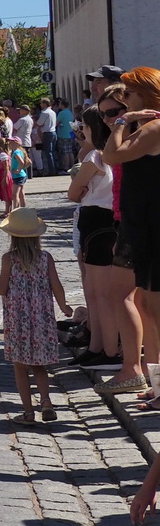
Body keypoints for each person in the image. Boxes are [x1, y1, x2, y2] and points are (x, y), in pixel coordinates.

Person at [0, 209, 70, 425]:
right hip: (42, 320)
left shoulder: (9, 259)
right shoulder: (46, 258)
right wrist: (64, 306)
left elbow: (2, 288)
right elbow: (56, 285)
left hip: (17, 321)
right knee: (39, 365)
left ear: (12, 236)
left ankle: (28, 413)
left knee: (20, 366)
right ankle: (46, 401)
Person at [67, 107, 145, 391]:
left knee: (100, 293)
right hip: (106, 219)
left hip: (96, 219)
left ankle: (109, 350)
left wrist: (80, 188)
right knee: (98, 293)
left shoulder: (95, 156)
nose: (81, 132)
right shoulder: (113, 154)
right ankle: (99, 346)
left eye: (85, 128)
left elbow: (74, 192)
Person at [100, 68, 160, 387]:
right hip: (142, 223)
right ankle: (155, 385)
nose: (125, 100)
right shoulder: (148, 126)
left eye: (129, 94)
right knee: (149, 308)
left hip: (152, 225)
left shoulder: (154, 128)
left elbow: (112, 155)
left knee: (155, 312)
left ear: (145, 94)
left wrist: (122, 121)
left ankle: (157, 386)